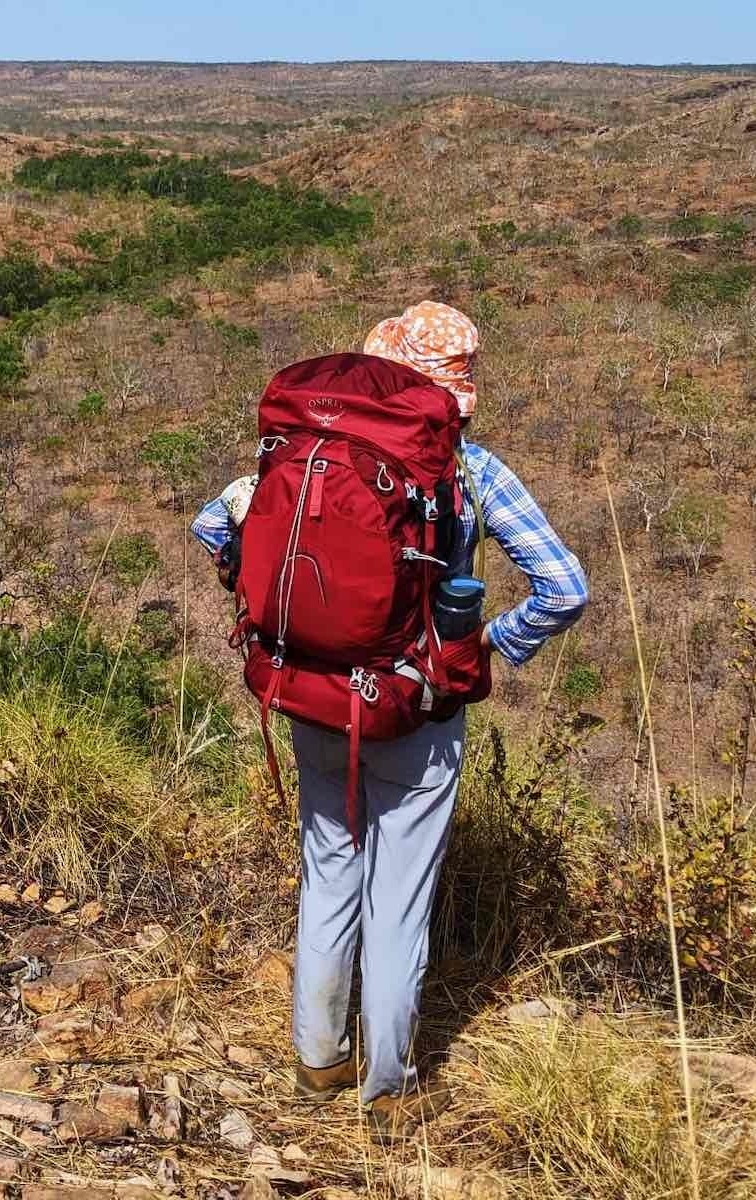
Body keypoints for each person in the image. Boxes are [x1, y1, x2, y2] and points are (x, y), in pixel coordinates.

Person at [191, 300, 587, 1140]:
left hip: (310, 691)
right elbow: (565, 587)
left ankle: (318, 1058)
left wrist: (281, 607)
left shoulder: (306, 452)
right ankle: (390, 1085)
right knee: (399, 897)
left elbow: (212, 523)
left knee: (329, 869)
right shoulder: (471, 471)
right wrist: (489, 643)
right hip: (417, 705)